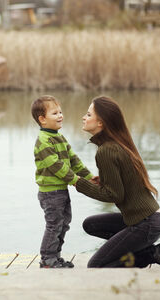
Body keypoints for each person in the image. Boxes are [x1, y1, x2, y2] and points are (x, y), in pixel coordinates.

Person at [74, 95, 160, 268]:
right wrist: (104, 180)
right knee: (91, 225)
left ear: (101, 123)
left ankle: (152, 254)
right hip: (152, 219)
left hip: (146, 224)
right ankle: (154, 251)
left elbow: (115, 195)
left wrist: (79, 183)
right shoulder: (117, 143)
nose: (84, 117)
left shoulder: (106, 151)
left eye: (89, 114)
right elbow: (124, 181)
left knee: (96, 266)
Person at [31, 95, 95, 268]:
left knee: (63, 223)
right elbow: (56, 166)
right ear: (42, 119)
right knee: (54, 225)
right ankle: (47, 259)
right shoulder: (43, 141)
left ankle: (55, 257)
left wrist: (89, 177)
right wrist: (75, 180)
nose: (60, 115)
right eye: (55, 113)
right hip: (50, 192)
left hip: (61, 190)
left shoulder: (60, 137)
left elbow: (73, 160)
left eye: (60, 112)